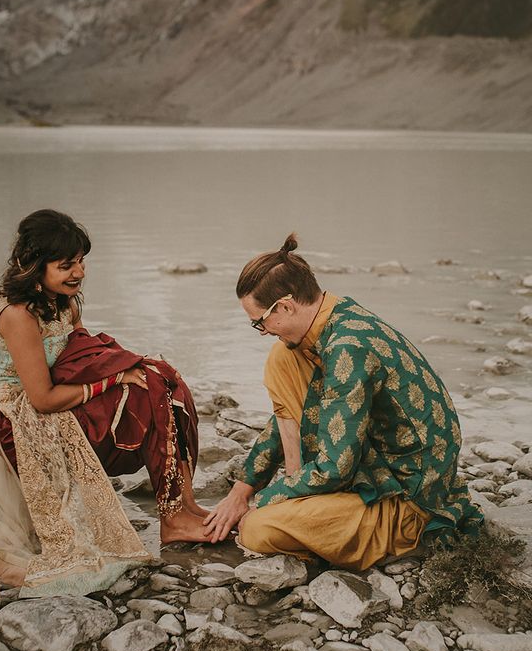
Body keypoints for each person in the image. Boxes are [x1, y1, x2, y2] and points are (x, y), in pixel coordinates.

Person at [203, 233, 483, 570]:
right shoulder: (338, 318)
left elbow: (336, 468)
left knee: (255, 530)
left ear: (287, 306)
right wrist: (242, 490)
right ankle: (302, 506)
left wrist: (262, 503)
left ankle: (400, 540)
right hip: (381, 465)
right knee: (282, 357)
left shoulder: (346, 349)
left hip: (409, 499)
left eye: (259, 322)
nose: (261, 331)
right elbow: (295, 414)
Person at [0, 209, 209, 595]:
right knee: (145, 396)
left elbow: (80, 358)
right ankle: (175, 517)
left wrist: (129, 370)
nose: (78, 272)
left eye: (81, 262)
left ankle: (182, 507)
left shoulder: (64, 302)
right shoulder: (17, 315)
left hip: (56, 398)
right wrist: (115, 379)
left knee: (164, 383)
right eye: (66, 265)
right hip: (18, 418)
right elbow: (42, 399)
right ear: (31, 266)